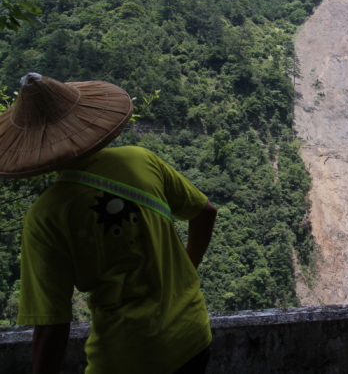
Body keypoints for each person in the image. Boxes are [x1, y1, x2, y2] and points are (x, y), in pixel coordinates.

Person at [0, 73, 217, 374]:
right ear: (86, 120)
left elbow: (52, 327)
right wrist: (185, 271)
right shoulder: (141, 159)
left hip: (127, 357)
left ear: (31, 145)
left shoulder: (45, 216)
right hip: (192, 335)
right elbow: (205, 212)